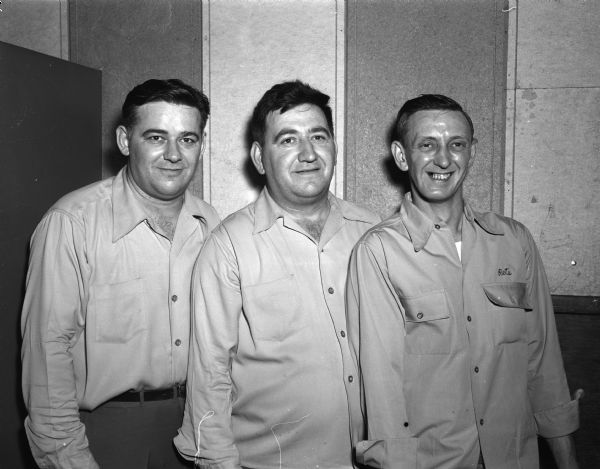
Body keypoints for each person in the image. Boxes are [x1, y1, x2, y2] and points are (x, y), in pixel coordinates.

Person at [346, 94, 581, 469]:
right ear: (402, 156)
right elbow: (382, 390)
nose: (443, 159)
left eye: (456, 145)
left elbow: (543, 364)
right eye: (427, 145)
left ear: (471, 152)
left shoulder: (514, 241)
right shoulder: (379, 252)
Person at [174, 80, 380, 468]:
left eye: (318, 136)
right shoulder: (228, 246)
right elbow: (209, 373)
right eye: (287, 140)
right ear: (258, 156)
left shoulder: (374, 234)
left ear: (334, 146)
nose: (307, 153)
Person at [21, 78, 220, 469]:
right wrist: (68, 459)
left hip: (197, 428)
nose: (174, 154)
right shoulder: (72, 222)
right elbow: (48, 354)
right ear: (126, 141)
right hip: (104, 435)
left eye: (188, 139)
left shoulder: (210, 223)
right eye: (157, 137)